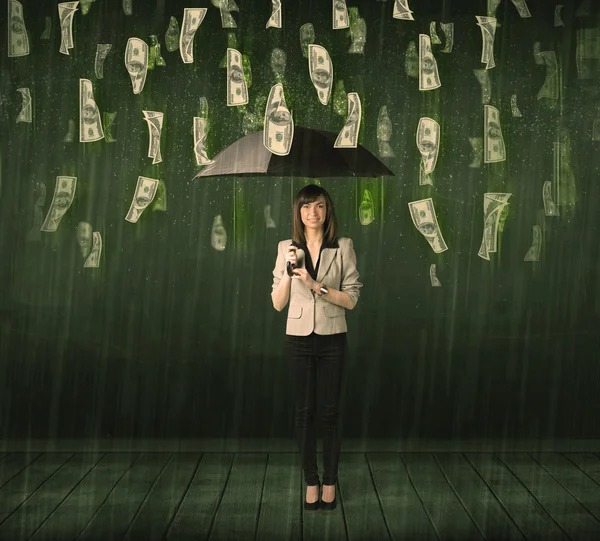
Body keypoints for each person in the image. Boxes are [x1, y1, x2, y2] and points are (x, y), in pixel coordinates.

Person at [270, 184, 363, 511]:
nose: (313, 213)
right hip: (297, 340)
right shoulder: (285, 247)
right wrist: (288, 273)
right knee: (304, 413)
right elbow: (277, 304)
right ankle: (310, 479)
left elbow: (351, 299)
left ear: (328, 210)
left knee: (330, 413)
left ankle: (330, 481)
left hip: (333, 338)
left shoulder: (343, 246)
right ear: (298, 212)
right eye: (307, 206)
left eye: (319, 206)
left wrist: (314, 284)